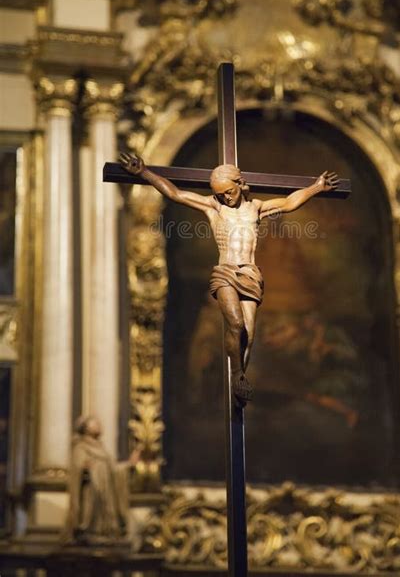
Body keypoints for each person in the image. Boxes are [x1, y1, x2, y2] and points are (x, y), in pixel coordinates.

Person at [120, 153, 339, 405]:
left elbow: (290, 203)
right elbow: (176, 194)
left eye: (228, 191)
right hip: (225, 272)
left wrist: (317, 187)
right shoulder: (214, 207)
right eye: (220, 193)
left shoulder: (256, 208)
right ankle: (236, 374)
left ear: (239, 183)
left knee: (249, 333)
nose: (225, 196)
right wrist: (144, 173)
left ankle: (240, 377)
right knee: (234, 324)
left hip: (250, 274)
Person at [64, 415, 140, 544]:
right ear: (85, 428)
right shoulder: (81, 447)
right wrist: (88, 468)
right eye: (95, 423)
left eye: (99, 423)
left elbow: (114, 470)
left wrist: (128, 465)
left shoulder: (101, 448)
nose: (99, 425)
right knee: (91, 513)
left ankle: (105, 532)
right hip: (90, 491)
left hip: (106, 491)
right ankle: (89, 531)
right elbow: (78, 468)